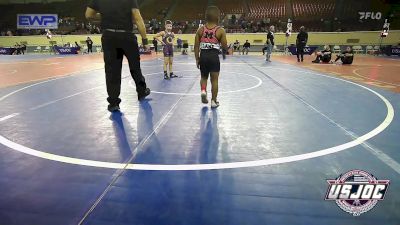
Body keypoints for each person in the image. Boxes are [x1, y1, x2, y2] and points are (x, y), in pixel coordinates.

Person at [86, 0, 151, 112]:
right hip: (126, 36)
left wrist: (105, 15)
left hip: (109, 37)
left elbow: (88, 15)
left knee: (112, 70)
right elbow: (137, 18)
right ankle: (141, 91)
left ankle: (114, 102)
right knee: (135, 67)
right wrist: (145, 41)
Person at [194, 6, 228, 108]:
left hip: (203, 56)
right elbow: (224, 46)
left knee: (204, 77)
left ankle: (203, 90)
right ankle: (213, 101)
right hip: (214, 57)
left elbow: (196, 46)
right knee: (214, 80)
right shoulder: (220, 30)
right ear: (218, 17)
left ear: (205, 17)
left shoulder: (200, 30)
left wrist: (197, 59)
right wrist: (224, 53)